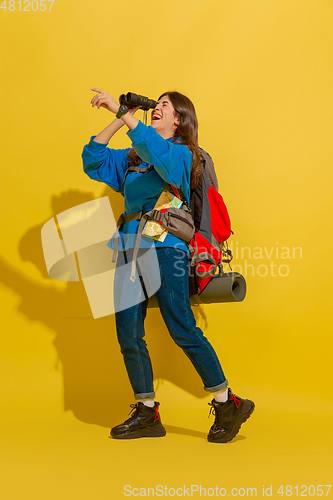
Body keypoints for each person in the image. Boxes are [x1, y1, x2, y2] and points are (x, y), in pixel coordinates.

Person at [81, 88, 255, 443]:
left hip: (165, 247)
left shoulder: (182, 155)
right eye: (155, 105)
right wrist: (119, 116)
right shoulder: (133, 159)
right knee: (128, 334)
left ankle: (227, 403)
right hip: (129, 248)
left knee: (182, 328)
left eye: (165, 107)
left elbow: (154, 150)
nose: (156, 109)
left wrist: (122, 112)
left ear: (179, 121)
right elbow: (93, 160)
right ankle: (147, 412)